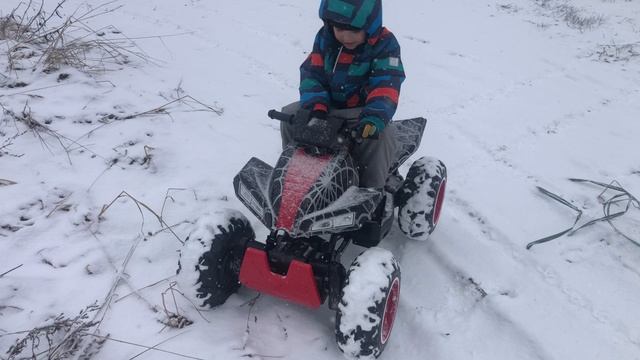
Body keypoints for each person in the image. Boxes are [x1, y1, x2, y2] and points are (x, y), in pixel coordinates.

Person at [280, 0, 405, 189]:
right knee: (290, 115)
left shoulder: (385, 45)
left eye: (354, 31)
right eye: (339, 29)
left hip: (360, 114)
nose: (346, 37)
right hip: (327, 108)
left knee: (381, 137)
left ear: (370, 25)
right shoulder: (326, 38)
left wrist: (373, 117)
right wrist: (317, 106)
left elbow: (386, 85)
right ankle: (293, 175)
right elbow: (312, 73)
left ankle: (371, 193)